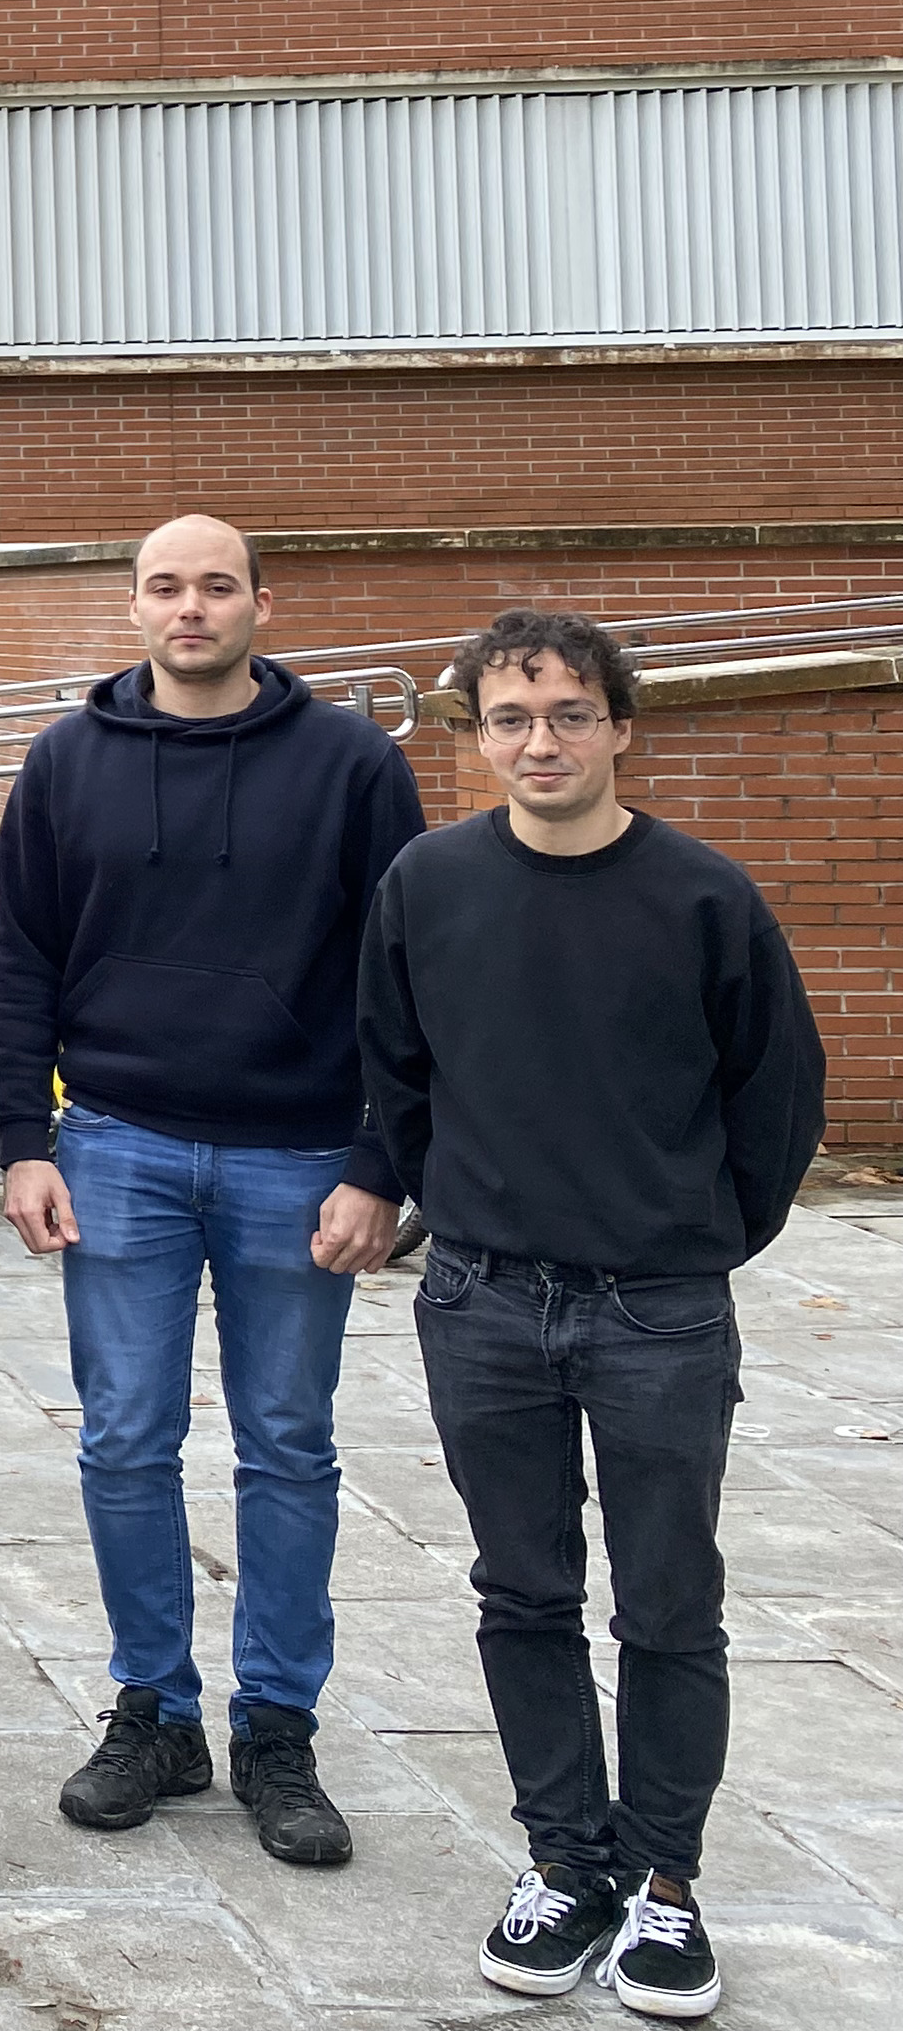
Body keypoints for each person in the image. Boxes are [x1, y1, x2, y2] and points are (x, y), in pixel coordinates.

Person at [362, 610, 825, 2020]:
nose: (540, 741)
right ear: (476, 737)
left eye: (569, 714)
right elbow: (396, 1072)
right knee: (525, 1594)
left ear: (622, 727)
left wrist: (686, 1241)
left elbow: (776, 1102)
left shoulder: (703, 898)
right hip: (484, 1301)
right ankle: (566, 1863)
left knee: (672, 1605)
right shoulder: (429, 883)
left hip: (659, 1312)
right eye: (511, 717)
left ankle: (668, 1886)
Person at [0, 514, 425, 1865]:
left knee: (288, 1444)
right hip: (118, 1144)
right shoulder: (65, 764)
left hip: (300, 1162)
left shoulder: (354, 766)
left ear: (261, 605)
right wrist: (25, 1142)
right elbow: (24, 962)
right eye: (166, 588)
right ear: (132, 608)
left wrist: (380, 1165)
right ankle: (156, 1711)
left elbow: (408, 978)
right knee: (123, 1439)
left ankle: (276, 1728)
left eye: (216, 586)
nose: (192, 608)